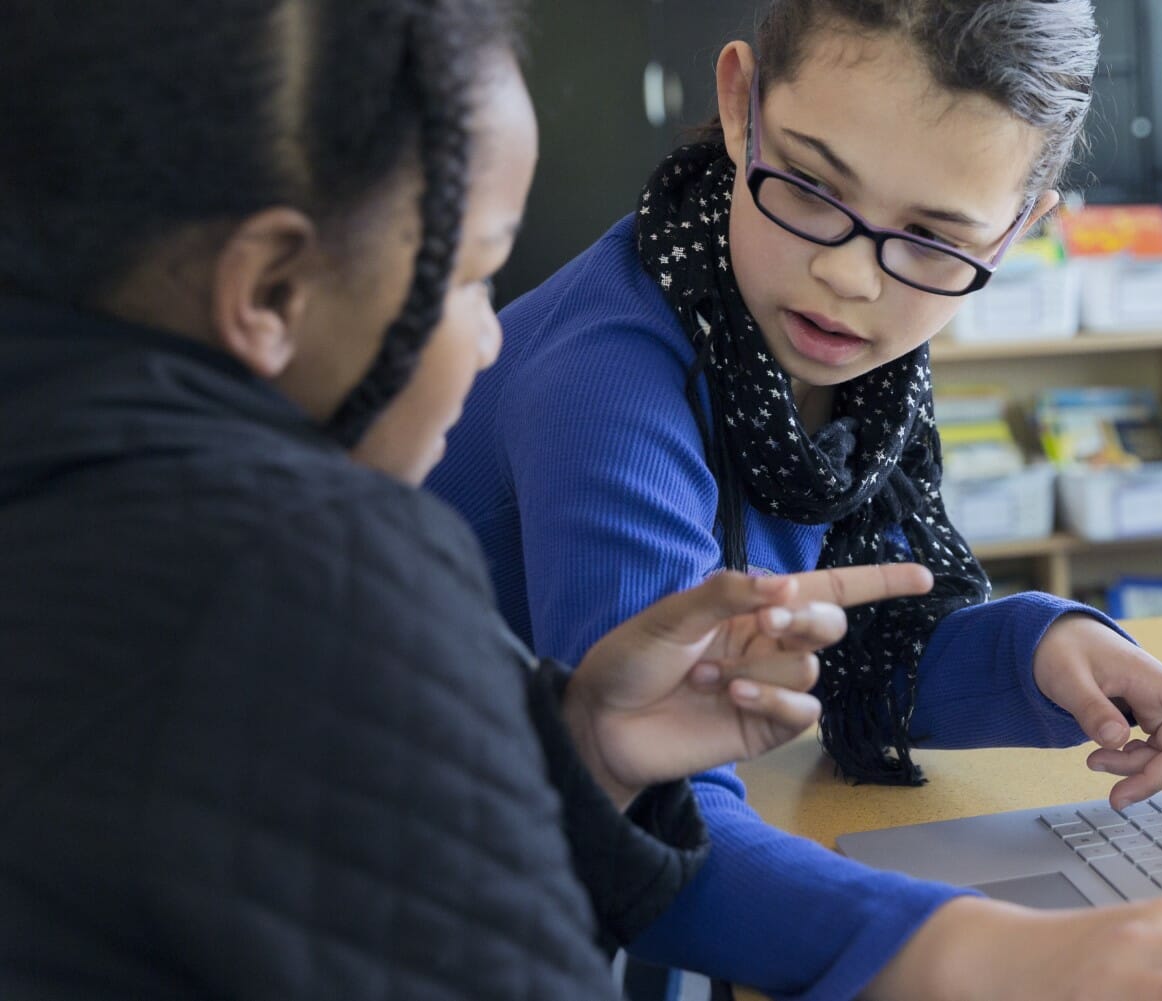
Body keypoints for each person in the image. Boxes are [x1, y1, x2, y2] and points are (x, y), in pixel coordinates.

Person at [426, 1, 1162, 998]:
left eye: (933, 239)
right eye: (810, 184)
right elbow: (646, 826)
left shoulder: (853, 359)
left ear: (1013, 230)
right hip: (450, 894)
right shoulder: (605, 379)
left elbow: (835, 656)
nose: (846, 275)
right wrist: (992, 948)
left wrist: (1037, 650)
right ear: (740, 102)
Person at [0, 3, 933, 997]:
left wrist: (577, 757)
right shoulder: (311, 564)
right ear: (272, 291)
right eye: (473, 275)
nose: (492, 337)